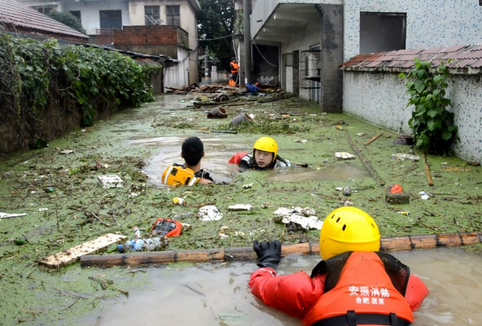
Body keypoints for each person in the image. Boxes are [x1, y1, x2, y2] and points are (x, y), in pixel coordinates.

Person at [249, 206, 429, 326]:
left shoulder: (308, 290)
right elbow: (418, 290)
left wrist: (267, 263)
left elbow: (260, 287)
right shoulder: (405, 285)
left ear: (326, 244)